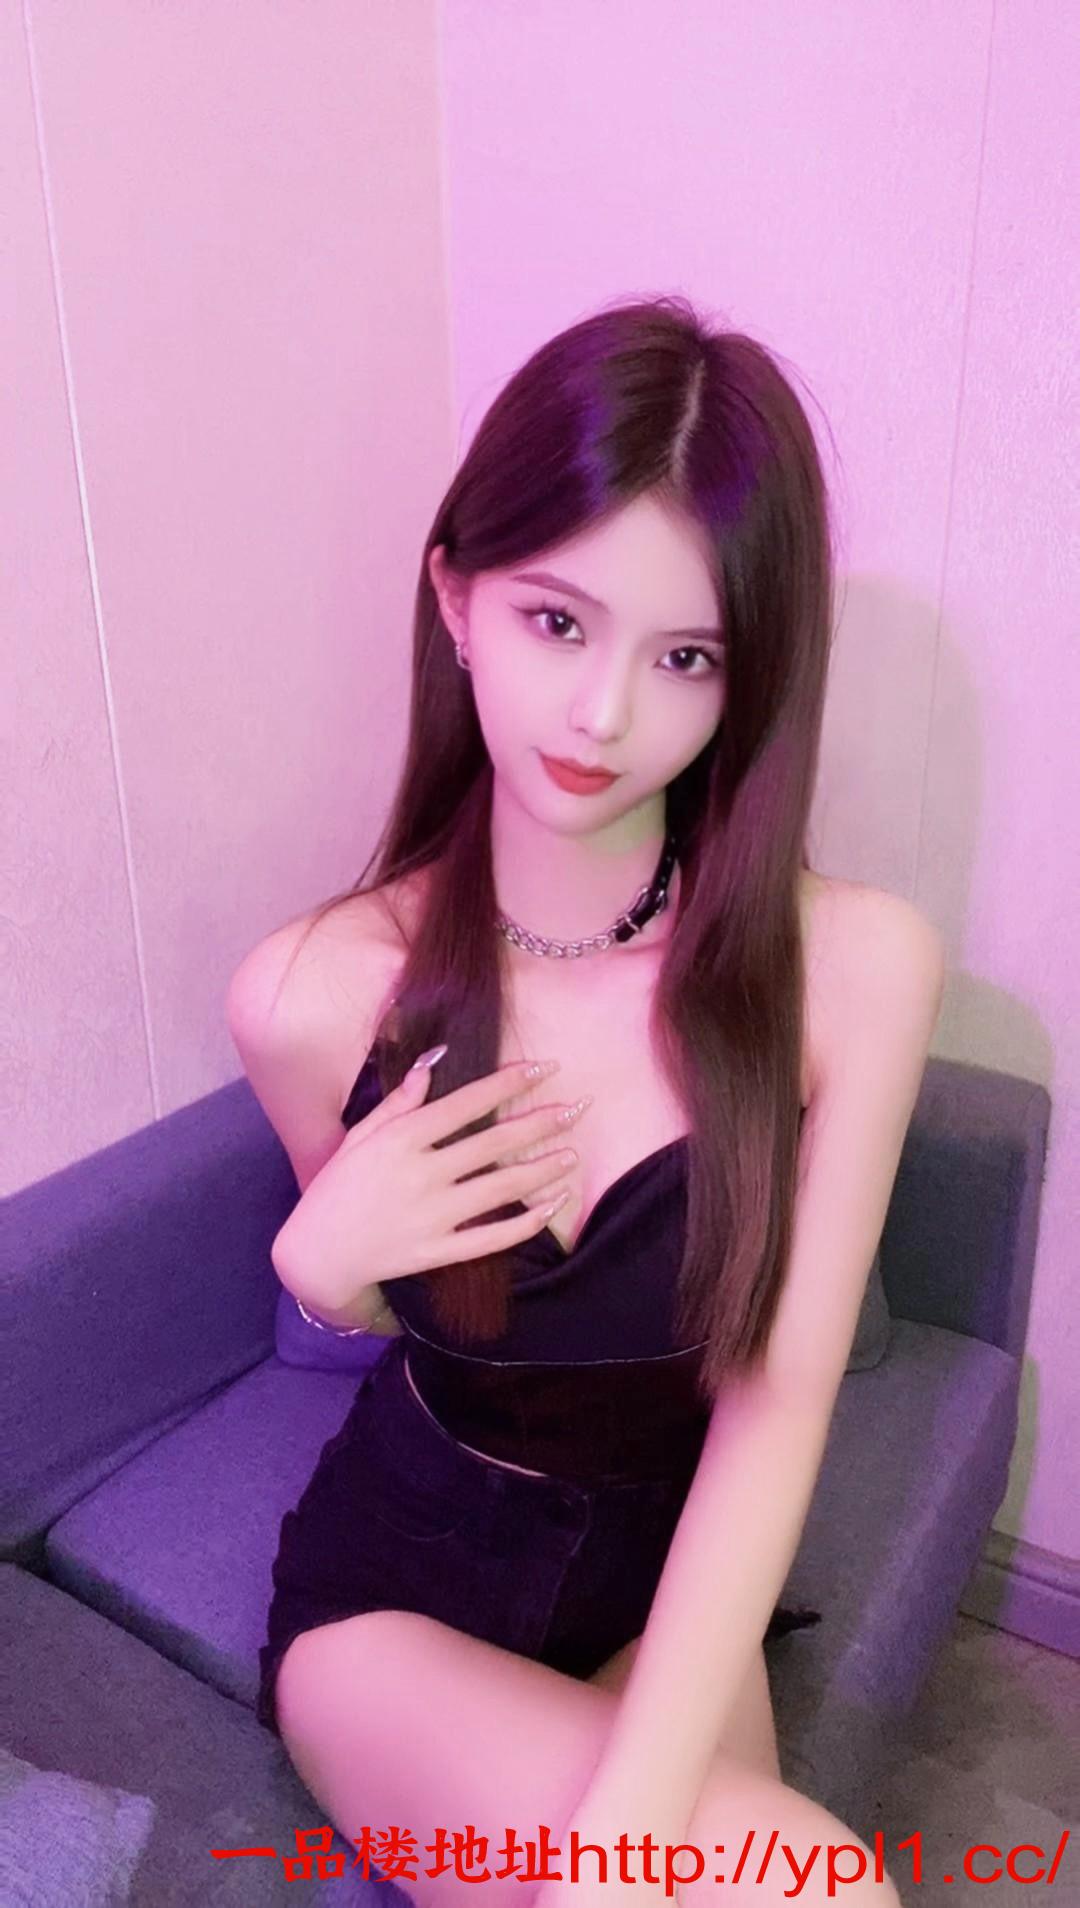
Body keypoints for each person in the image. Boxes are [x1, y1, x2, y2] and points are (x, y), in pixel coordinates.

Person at [228, 295, 942, 1906]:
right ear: (455, 598)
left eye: (685, 656)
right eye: (557, 621)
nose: (605, 715)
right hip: (398, 1594)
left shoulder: (853, 970)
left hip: (670, 1567)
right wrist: (318, 1278)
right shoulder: (311, 995)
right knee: (819, 1882)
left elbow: (780, 1404)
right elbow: (402, 1310)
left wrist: (616, 1847)